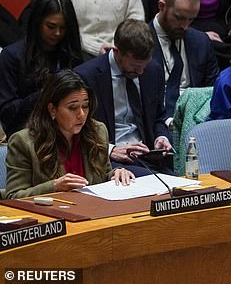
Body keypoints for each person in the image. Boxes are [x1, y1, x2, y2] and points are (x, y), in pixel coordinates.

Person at [5, 70, 134, 199]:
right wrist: (54, 187)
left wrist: (115, 174)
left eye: (85, 106)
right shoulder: (24, 142)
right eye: (73, 108)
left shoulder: (97, 131)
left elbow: (102, 175)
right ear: (52, 109)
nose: (82, 114)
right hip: (52, 214)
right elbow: (13, 196)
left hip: (93, 211)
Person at [75, 19, 172, 176]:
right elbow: (77, 130)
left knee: (187, 191)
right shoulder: (87, 77)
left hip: (147, 157)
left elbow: (159, 117)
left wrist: (161, 137)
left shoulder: (153, 70)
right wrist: (110, 149)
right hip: (110, 161)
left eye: (143, 66)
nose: (140, 72)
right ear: (116, 51)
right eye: (134, 67)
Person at [0, 0, 82, 138]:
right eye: (51, 26)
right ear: (38, 22)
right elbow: (7, 114)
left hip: (69, 130)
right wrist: (42, 95)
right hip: (26, 133)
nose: (57, 33)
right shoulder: (11, 56)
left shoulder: (70, 54)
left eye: (63, 28)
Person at [150, 0, 219, 119]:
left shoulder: (201, 42)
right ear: (162, 6)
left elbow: (212, 92)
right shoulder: (139, 40)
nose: (185, 26)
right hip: (155, 120)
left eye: (191, 19)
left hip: (193, 118)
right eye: (179, 17)